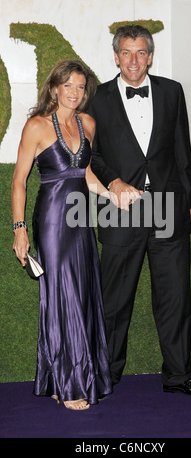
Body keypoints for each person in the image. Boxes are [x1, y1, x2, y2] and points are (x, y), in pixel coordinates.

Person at [88, 25, 191, 398]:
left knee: (175, 298)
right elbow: (90, 156)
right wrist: (113, 182)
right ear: (115, 56)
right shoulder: (97, 98)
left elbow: (182, 150)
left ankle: (178, 376)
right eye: (126, 52)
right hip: (118, 209)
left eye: (141, 52)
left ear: (150, 55)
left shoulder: (172, 92)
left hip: (168, 210)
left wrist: (188, 203)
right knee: (114, 301)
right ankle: (105, 375)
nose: (133, 60)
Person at [11, 59, 112, 410]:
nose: (74, 92)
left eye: (80, 87)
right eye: (67, 85)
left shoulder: (88, 123)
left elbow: (85, 175)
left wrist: (116, 196)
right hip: (53, 220)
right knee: (62, 296)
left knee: (82, 292)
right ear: (54, 88)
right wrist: (19, 229)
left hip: (81, 218)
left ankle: (57, 379)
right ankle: (70, 385)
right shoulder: (36, 126)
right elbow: (19, 181)